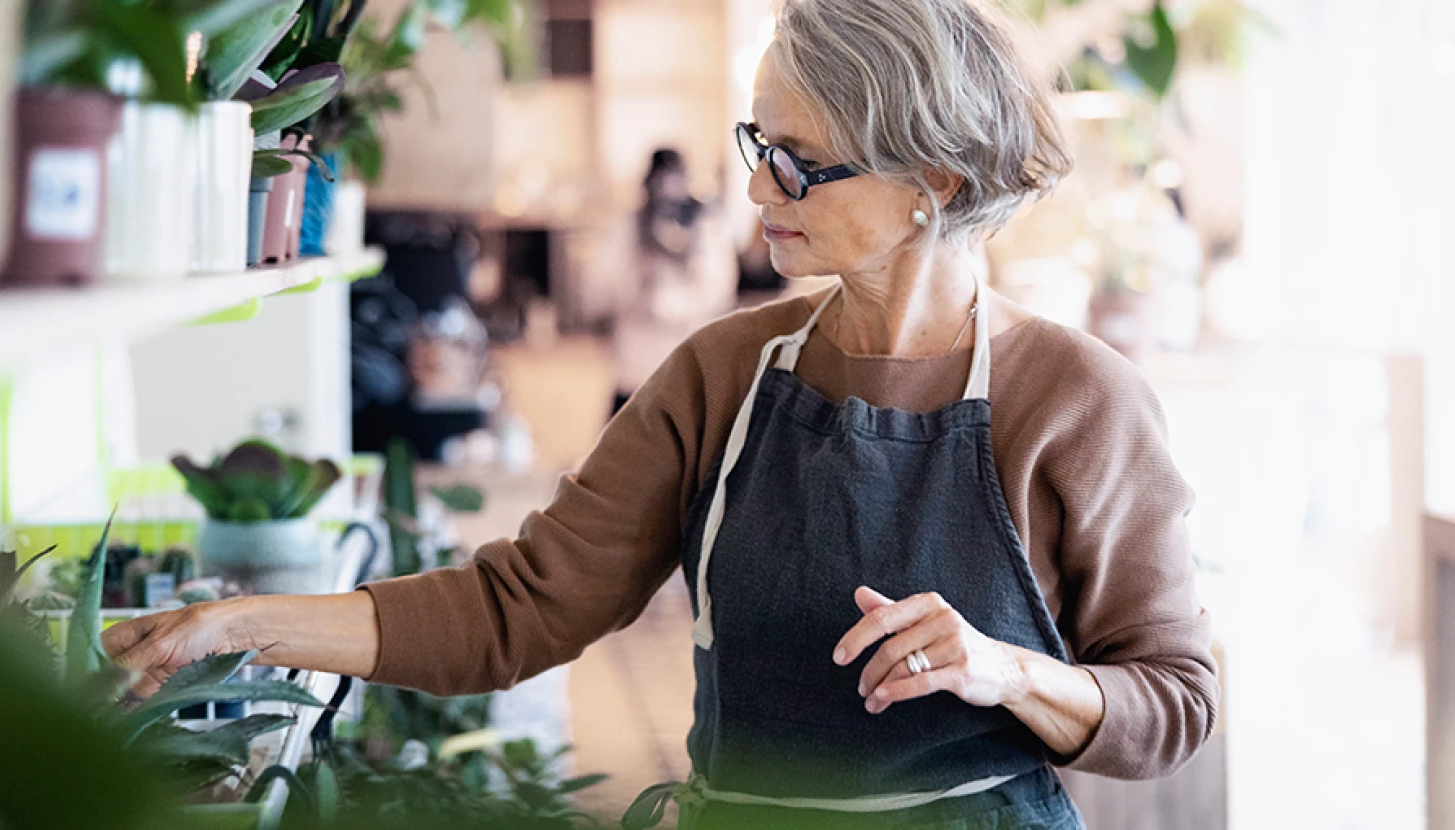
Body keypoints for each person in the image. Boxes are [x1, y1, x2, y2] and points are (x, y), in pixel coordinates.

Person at [104, 1, 1216, 827]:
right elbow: (516, 608)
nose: (755, 192)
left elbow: (1173, 699)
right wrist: (241, 623)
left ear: (926, 178)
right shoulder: (723, 376)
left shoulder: (1079, 401)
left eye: (797, 166)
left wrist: (1006, 668)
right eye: (756, 148)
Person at [611, 148, 736, 415]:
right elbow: (602, 287)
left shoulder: (706, 227)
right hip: (636, 368)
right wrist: (643, 282)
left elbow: (718, 291)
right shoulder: (628, 226)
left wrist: (669, 302)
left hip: (687, 366)